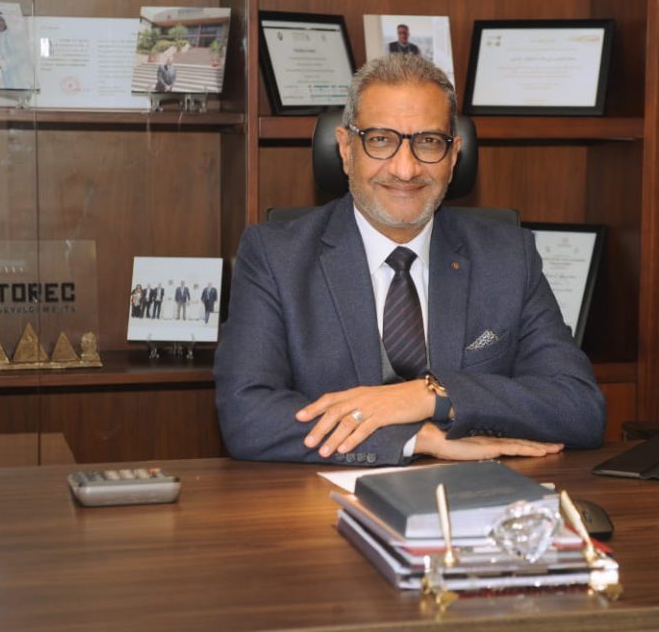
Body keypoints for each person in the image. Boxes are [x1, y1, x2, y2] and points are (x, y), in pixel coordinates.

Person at [215, 53, 605, 466]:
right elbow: (247, 415)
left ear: (454, 156)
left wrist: (431, 396)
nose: (406, 169)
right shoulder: (275, 257)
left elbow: (579, 406)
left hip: (473, 494)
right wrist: (417, 438)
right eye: (381, 140)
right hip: (321, 500)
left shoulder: (508, 257)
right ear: (346, 149)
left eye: (428, 142)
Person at [0, 11, 32, 89]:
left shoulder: (17, 35)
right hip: (8, 79)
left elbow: (22, 55)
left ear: (5, 20)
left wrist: (2, 63)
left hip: (21, 76)